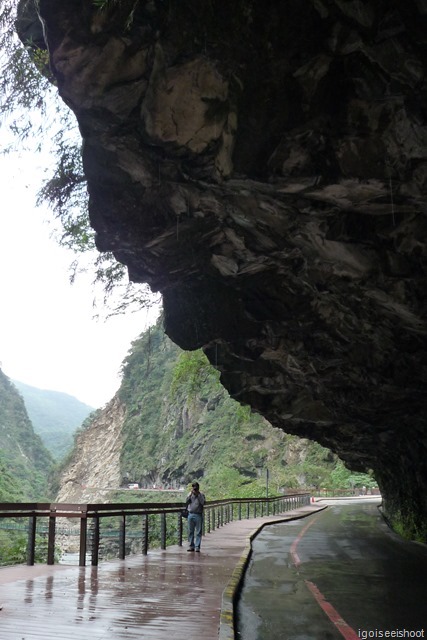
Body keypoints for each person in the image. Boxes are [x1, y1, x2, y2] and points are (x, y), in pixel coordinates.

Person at [185, 481, 205, 552]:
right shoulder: (190, 494)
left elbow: (203, 503)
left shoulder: (201, 494)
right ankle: (191, 546)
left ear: (198, 488)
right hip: (191, 514)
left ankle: (197, 547)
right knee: (190, 531)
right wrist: (190, 495)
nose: (195, 489)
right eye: (194, 487)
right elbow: (186, 502)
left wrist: (198, 495)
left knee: (198, 532)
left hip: (198, 514)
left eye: (196, 487)